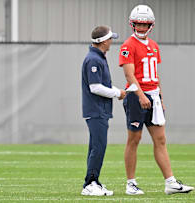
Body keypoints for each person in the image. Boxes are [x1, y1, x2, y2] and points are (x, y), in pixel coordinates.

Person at [119, 5, 194, 195]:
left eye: (145, 24)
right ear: (132, 24)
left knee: (160, 139)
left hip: (153, 96)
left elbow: (155, 74)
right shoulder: (128, 45)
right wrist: (141, 95)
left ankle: (170, 182)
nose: (141, 28)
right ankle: (130, 183)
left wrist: (159, 96)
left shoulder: (153, 45)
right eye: (138, 24)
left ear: (151, 25)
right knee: (134, 139)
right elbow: (129, 75)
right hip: (137, 96)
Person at [81, 25, 126, 196]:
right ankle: (90, 184)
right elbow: (95, 87)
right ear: (102, 42)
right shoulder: (94, 59)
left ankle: (93, 181)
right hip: (96, 110)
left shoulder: (98, 57)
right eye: (109, 39)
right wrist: (117, 93)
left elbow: (102, 85)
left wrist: (117, 91)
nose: (111, 42)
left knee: (96, 146)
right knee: (98, 147)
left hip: (99, 109)